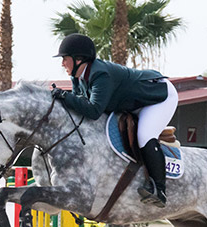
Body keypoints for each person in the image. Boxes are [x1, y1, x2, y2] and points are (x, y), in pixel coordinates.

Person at [51, 33, 178, 208]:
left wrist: (65, 96)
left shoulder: (100, 73)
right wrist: (65, 97)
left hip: (158, 96)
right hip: (135, 102)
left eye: (65, 59)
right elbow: (80, 104)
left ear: (79, 59)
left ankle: (159, 190)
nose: (62, 63)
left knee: (144, 134)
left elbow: (94, 110)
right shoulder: (77, 77)